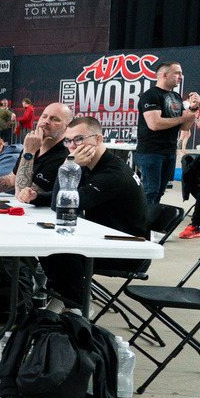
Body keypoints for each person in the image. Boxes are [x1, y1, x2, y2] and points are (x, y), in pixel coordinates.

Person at [23, 117, 149, 308]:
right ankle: (63, 299)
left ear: (98, 139)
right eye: (68, 141)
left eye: (79, 139)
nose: (72, 146)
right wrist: (36, 198)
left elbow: (61, 206)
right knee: (52, 247)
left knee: (57, 252)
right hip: (103, 238)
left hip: (126, 252)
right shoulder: (93, 166)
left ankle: (76, 309)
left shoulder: (112, 174)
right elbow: (70, 196)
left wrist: (67, 166)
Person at [0, 103, 73, 196]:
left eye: (55, 119)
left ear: (66, 128)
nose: (46, 121)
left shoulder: (64, 156)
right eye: (44, 116)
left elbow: (22, 193)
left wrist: (29, 153)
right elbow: (11, 180)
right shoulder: (33, 145)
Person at [136, 62, 199, 204]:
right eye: (177, 73)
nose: (181, 77)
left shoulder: (176, 97)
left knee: (159, 192)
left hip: (169, 152)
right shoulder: (151, 95)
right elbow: (154, 124)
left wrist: (193, 109)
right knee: (150, 192)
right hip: (151, 152)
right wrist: (183, 117)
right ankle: (143, 218)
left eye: (181, 73)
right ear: (164, 75)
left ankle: (151, 217)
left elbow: (184, 127)